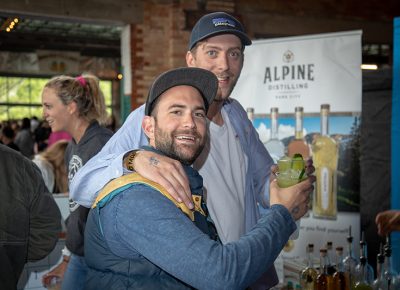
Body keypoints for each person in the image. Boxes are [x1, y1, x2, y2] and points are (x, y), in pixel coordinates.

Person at [70, 12, 312, 288]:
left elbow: (261, 182)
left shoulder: (236, 115)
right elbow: (82, 185)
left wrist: (291, 184)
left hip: (248, 263)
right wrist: (134, 158)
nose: (224, 65)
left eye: (234, 54)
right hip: (201, 269)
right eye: (212, 52)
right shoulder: (150, 118)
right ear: (190, 59)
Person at [40, 74, 113, 290]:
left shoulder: (101, 144)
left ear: (71, 107)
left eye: (48, 106)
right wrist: (66, 259)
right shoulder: (73, 146)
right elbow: (77, 210)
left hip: (100, 258)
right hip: (81, 254)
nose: (44, 114)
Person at [0, 144, 61, 290]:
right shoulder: (18, 163)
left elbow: (46, 228)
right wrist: (12, 257)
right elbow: (46, 229)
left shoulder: (18, 164)